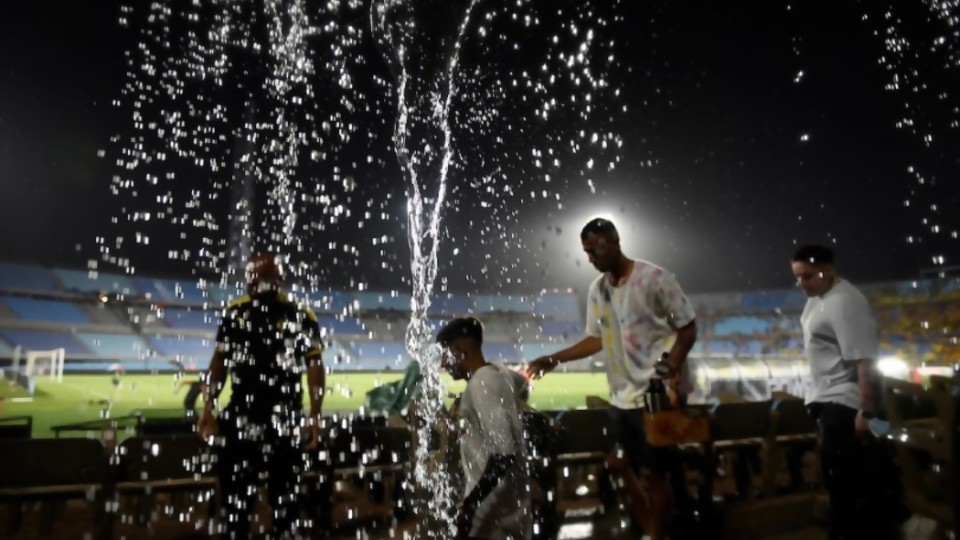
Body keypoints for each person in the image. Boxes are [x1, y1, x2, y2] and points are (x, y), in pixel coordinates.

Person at [527, 218, 697, 540]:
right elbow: (597, 339)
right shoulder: (597, 290)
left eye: (597, 249)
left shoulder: (655, 279)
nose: (592, 258)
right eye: (587, 253)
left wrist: (673, 364)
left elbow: (688, 327)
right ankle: (652, 530)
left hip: (654, 397)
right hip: (620, 398)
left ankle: (657, 533)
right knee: (617, 466)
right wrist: (554, 359)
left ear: (615, 240)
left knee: (654, 475)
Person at [197, 253, 325, 539]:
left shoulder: (301, 314)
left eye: (266, 276)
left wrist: (314, 415)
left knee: (286, 503)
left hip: (286, 419)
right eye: (255, 276)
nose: (259, 282)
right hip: (240, 417)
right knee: (235, 503)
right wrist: (209, 408)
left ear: (280, 279)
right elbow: (219, 363)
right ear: (247, 279)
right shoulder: (234, 312)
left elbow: (314, 364)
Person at [791, 244, 907, 540]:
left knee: (844, 485)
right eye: (797, 277)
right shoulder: (820, 297)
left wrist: (866, 413)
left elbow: (865, 361)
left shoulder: (845, 303)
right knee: (849, 478)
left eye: (807, 276)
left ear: (829, 270)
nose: (801, 284)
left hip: (846, 404)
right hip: (830, 402)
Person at [438, 317, 532, 540]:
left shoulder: (483, 383)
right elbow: (521, 382)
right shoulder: (497, 372)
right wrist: (466, 399)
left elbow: (504, 454)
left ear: (459, 350)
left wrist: (470, 506)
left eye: (444, 355)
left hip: (493, 515)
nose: (443, 365)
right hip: (511, 507)